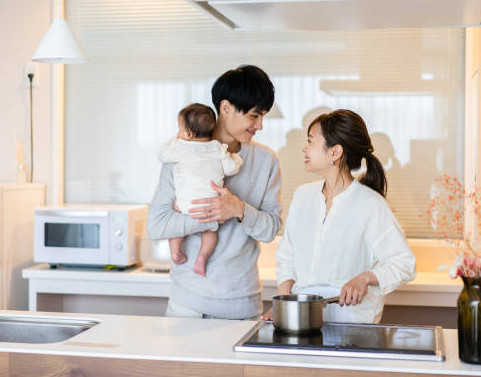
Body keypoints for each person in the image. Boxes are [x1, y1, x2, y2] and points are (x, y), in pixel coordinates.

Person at [147, 65, 282, 320]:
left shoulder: (266, 161)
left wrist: (238, 209)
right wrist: (209, 216)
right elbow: (156, 226)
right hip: (187, 305)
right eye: (255, 115)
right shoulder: (181, 154)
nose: (260, 125)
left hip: (242, 305)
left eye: (263, 116)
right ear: (226, 107)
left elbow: (271, 229)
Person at [262, 109, 416, 323]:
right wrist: (284, 305)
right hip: (303, 320)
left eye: (311, 141)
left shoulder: (371, 204)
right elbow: (287, 258)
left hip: (352, 322)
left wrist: (366, 278)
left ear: (335, 152)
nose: (304, 148)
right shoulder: (302, 196)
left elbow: (403, 263)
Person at [158, 103, 243, 277]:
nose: (178, 134)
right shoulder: (218, 148)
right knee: (210, 232)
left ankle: (175, 251)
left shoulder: (180, 147)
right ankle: (202, 257)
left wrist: (175, 140)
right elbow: (231, 168)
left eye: (179, 130)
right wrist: (235, 157)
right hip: (210, 207)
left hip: (185, 205)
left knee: (176, 222)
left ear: (188, 133)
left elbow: (163, 155)